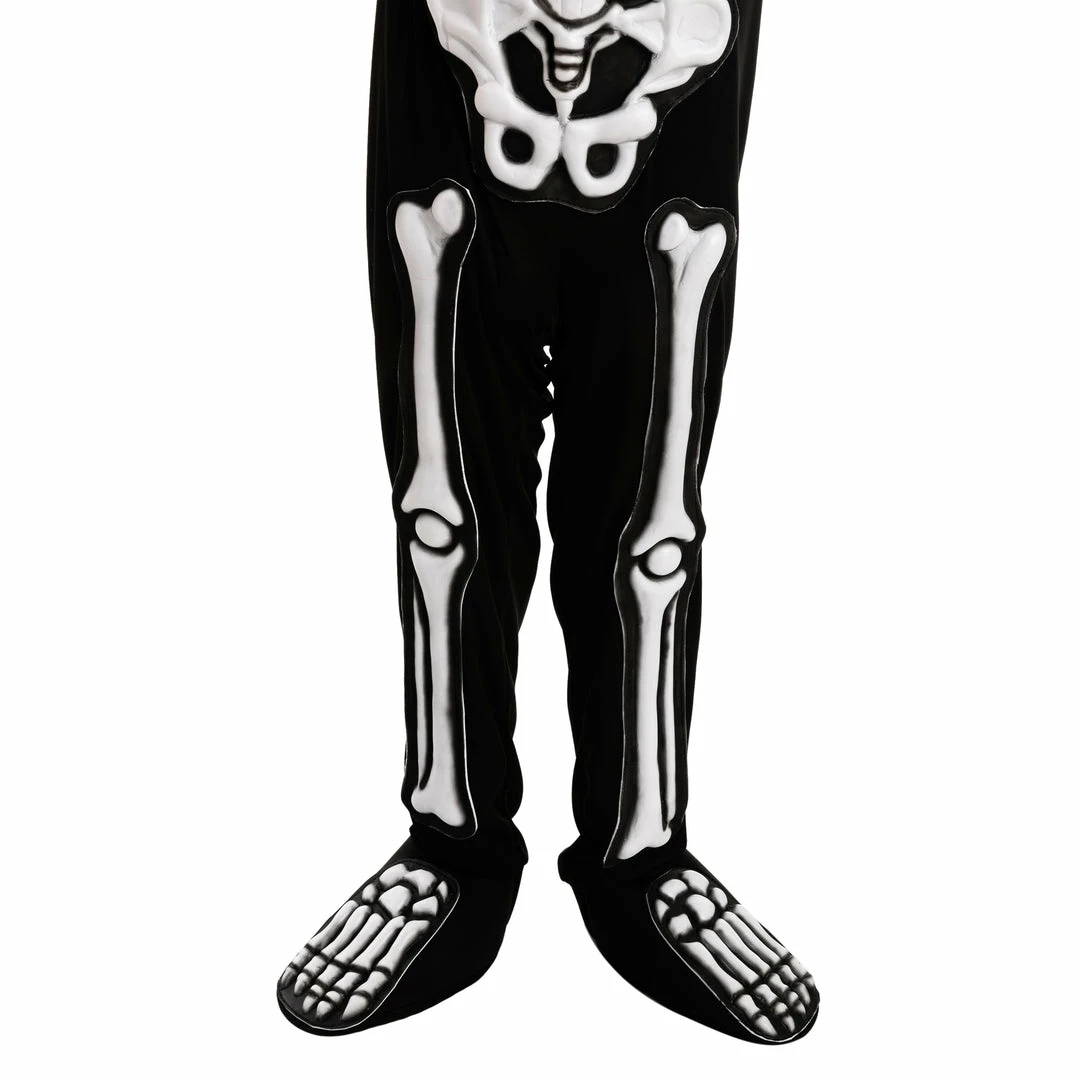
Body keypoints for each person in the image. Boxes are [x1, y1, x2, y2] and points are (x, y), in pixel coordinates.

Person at [277, 0, 818, 1042]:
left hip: (672, 77)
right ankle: (454, 839)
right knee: (448, 480)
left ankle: (639, 849)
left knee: (648, 492)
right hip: (459, 63)